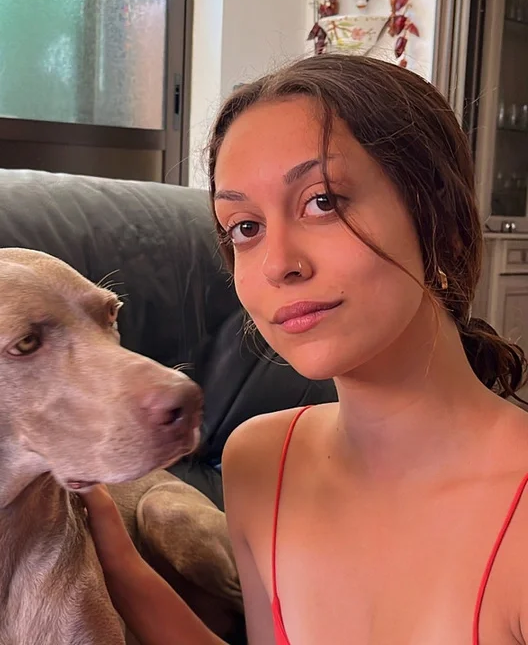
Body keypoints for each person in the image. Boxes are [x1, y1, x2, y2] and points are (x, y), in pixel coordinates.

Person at [81, 54, 528, 645]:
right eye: (245, 227)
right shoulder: (260, 461)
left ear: (438, 221)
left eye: (323, 201)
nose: (278, 264)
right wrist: (119, 568)